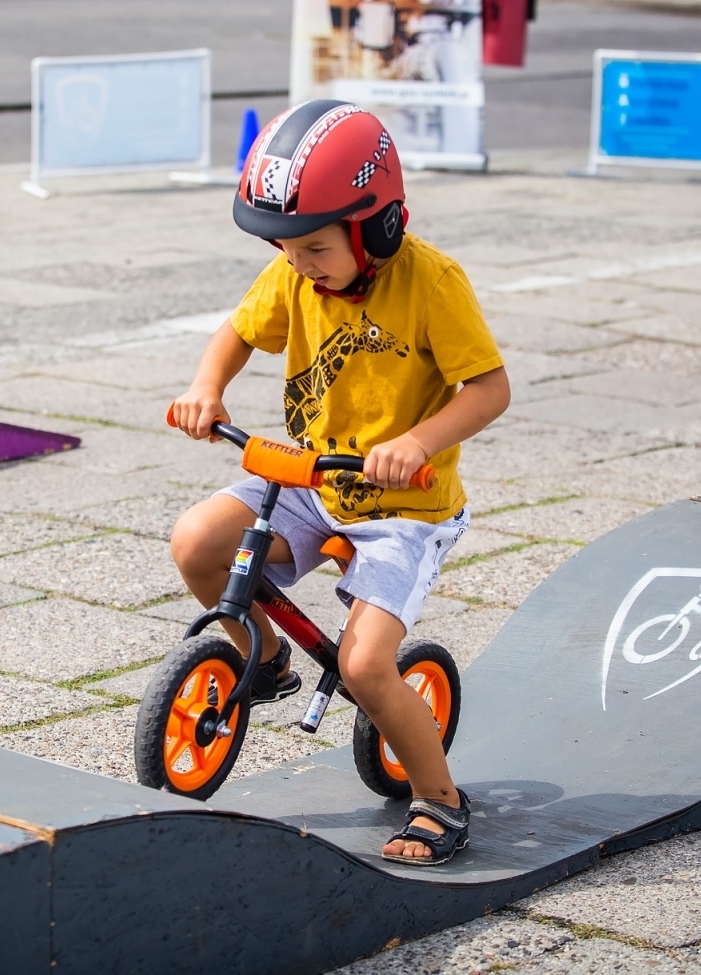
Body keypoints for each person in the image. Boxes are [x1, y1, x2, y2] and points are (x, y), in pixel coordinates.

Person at [169, 100, 510, 866]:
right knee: (196, 544)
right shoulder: (296, 273)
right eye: (286, 249)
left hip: (405, 509)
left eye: (315, 248)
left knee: (363, 666)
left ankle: (441, 802)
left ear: (377, 226)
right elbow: (238, 331)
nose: (298, 263)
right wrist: (206, 385)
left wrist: (418, 441)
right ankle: (268, 659)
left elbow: (489, 390)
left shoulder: (432, 284)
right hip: (316, 478)